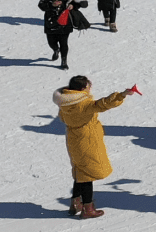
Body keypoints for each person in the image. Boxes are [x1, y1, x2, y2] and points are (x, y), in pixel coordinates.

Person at [53, 75, 135, 219]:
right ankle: (88, 208)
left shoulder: (64, 102)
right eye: (88, 86)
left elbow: (62, 117)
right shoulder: (83, 103)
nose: (90, 88)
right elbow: (103, 104)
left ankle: (75, 203)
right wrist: (122, 95)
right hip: (87, 140)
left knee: (80, 171)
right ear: (83, 88)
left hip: (73, 138)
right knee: (87, 175)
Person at [38, 0, 77, 70]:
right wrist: (51, 5)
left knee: (64, 43)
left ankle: (64, 61)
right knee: (51, 42)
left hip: (65, 23)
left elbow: (79, 3)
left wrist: (73, 6)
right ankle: (55, 50)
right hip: (51, 22)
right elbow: (41, 5)